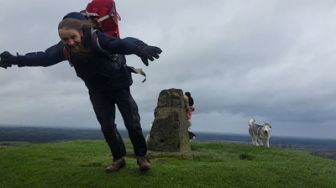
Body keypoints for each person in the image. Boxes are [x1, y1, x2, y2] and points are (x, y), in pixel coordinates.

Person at [0, 12, 162, 172]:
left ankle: (141, 157)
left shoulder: (98, 39)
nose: (70, 42)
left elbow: (123, 44)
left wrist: (141, 48)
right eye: (65, 39)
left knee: (132, 122)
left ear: (82, 32)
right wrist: (15, 59)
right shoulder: (64, 49)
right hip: (97, 90)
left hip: (119, 85)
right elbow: (43, 58)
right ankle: (118, 159)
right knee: (107, 126)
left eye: (73, 37)